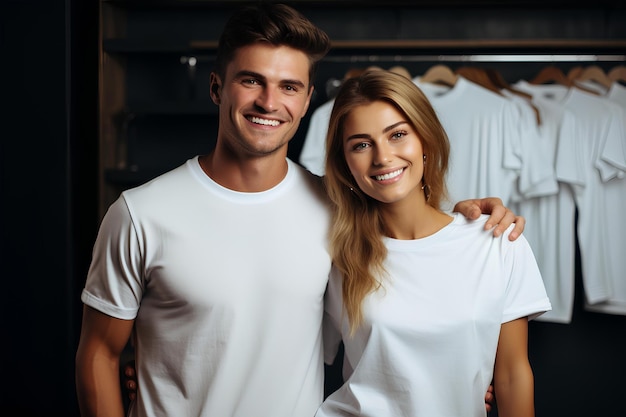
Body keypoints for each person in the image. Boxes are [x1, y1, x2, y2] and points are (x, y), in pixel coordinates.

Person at [75, 3, 523, 417]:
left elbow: (420, 245)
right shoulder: (140, 214)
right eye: (251, 80)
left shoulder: (338, 209)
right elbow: (99, 354)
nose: (269, 103)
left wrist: (459, 377)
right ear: (216, 87)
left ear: (307, 101)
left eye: (288, 86)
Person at [316, 69, 551, 417]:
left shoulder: (498, 241)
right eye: (362, 144)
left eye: (397, 134)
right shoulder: (335, 254)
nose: (382, 157)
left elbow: (513, 376)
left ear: (425, 140)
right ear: (346, 163)